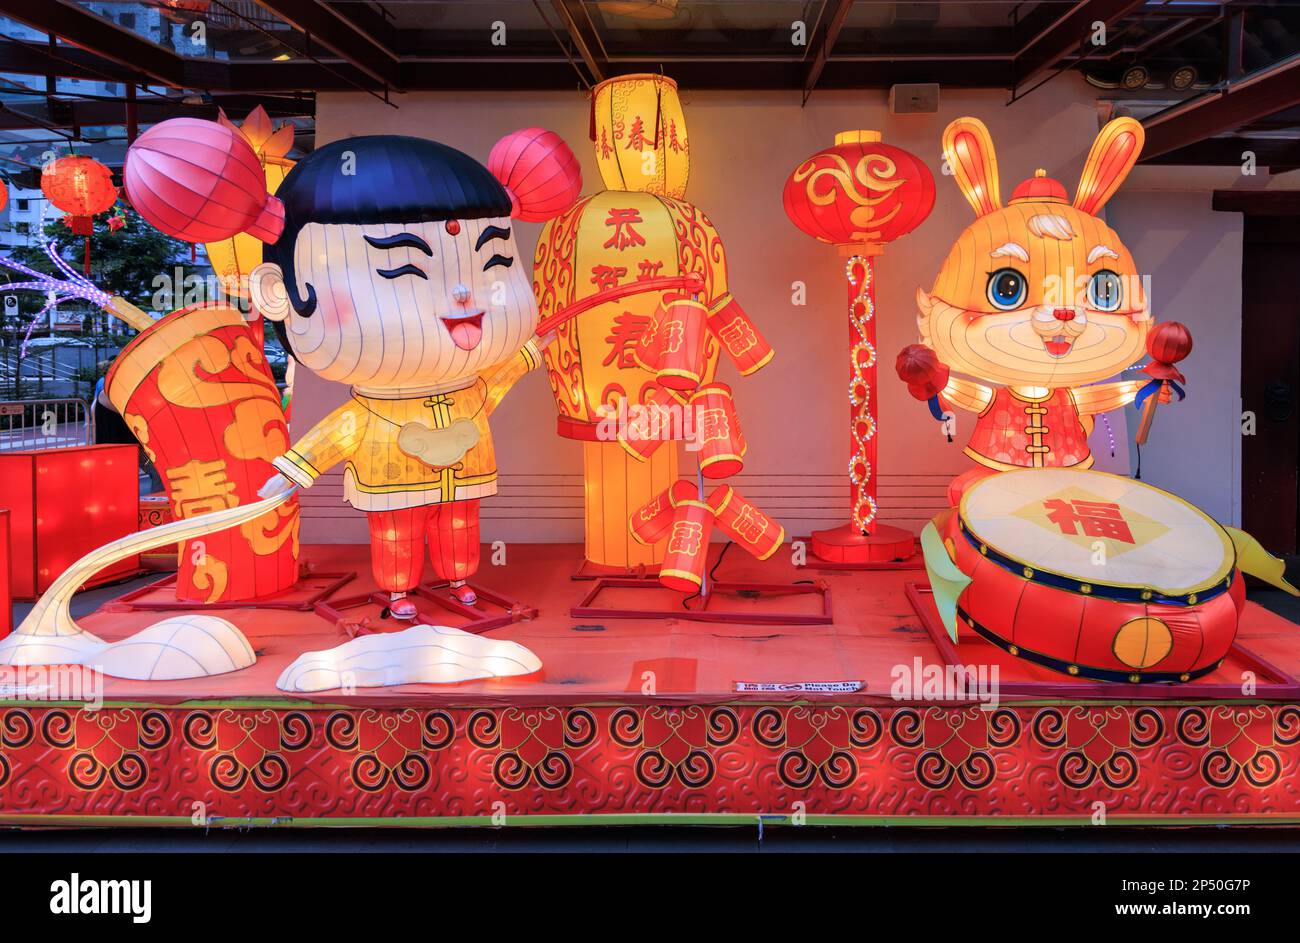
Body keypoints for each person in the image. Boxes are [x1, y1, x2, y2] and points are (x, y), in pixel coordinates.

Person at [252, 135, 551, 617]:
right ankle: (397, 591)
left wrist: (533, 350)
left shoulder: (470, 390)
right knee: (396, 530)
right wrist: (291, 473)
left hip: (465, 470)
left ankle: (458, 579)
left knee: (461, 523)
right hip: (388, 471)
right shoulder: (369, 408)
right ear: (278, 291)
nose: (460, 293)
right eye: (404, 270)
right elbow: (335, 433)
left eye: (492, 261)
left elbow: (500, 378)